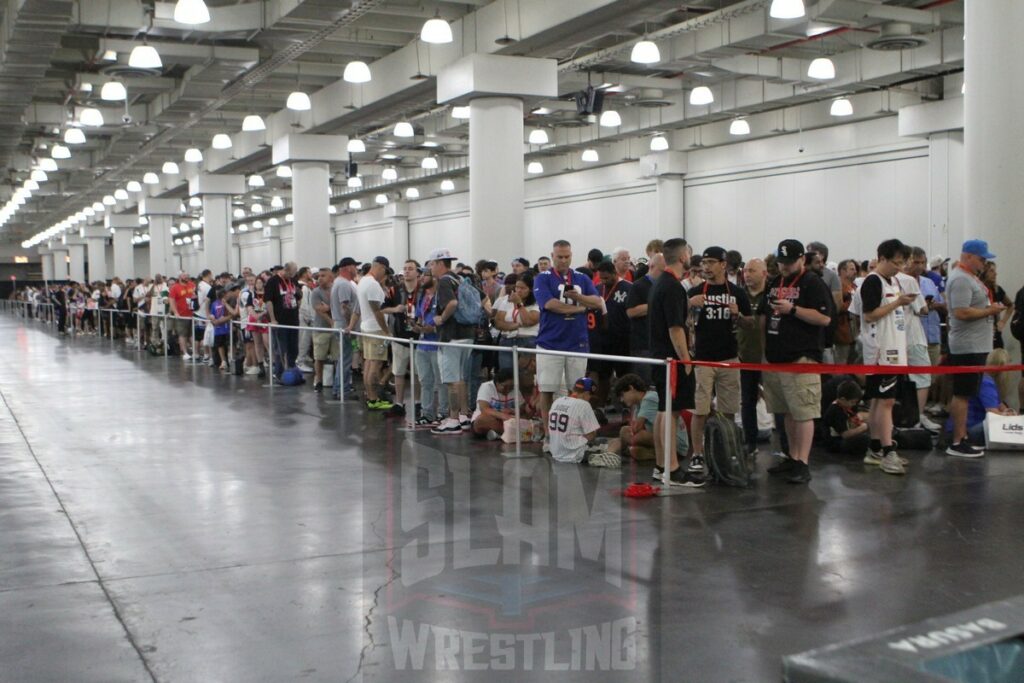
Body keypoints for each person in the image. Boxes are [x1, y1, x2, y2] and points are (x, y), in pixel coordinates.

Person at [759, 239, 832, 485]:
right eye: (781, 262)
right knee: (787, 411)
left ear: (802, 259)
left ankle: (803, 461)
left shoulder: (812, 283)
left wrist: (793, 310)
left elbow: (824, 318)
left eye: (790, 262)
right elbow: (764, 315)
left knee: (803, 411)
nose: (785, 266)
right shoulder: (774, 282)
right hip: (776, 356)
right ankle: (792, 456)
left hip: (802, 356)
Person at [686, 246, 753, 475]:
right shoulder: (695, 291)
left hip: (729, 357)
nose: (706, 267)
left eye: (711, 262)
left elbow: (750, 324)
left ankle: (725, 447)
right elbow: (680, 321)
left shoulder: (737, 292)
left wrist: (739, 315)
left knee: (728, 408)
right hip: (703, 358)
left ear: (723, 264)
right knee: (700, 409)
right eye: (704, 263)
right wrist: (689, 304)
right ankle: (697, 453)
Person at [533, 240, 603, 448]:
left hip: (577, 343)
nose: (563, 260)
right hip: (550, 343)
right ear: (552, 256)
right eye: (559, 257)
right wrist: (581, 308)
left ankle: (580, 432)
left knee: (580, 390)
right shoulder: (542, 278)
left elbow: (597, 302)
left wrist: (579, 298)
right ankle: (549, 435)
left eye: (567, 256)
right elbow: (549, 304)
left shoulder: (581, 277)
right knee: (547, 390)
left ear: (571, 256)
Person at [648, 237, 702, 487]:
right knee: (671, 411)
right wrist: (686, 359)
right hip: (671, 359)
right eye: (689, 254)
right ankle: (670, 467)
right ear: (683, 257)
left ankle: (662, 465)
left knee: (664, 409)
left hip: (661, 357)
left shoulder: (663, 283)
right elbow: (675, 329)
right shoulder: (671, 286)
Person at [857, 239, 914, 475]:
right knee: (886, 401)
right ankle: (887, 450)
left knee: (880, 401)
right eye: (895, 263)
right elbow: (870, 315)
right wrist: (898, 303)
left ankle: (875, 447)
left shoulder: (894, 281)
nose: (899, 268)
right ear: (881, 258)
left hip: (895, 349)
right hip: (882, 352)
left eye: (902, 263)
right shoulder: (872, 282)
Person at [946, 240, 1005, 458]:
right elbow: (961, 312)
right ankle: (957, 440)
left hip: (976, 344)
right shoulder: (961, 279)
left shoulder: (970, 278)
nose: (984, 263)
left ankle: (963, 436)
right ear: (969, 256)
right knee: (963, 393)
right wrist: (989, 312)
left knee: (968, 392)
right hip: (966, 346)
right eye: (982, 259)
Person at [429, 248, 476, 434]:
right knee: (461, 378)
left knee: (451, 380)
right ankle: (464, 415)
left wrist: (442, 318)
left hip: (451, 337)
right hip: (467, 335)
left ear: (440, 264)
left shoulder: (444, 282)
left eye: (432, 264)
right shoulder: (461, 279)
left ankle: (453, 419)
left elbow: (453, 303)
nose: (430, 268)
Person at [900, 247, 943, 432]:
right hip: (911, 337)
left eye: (922, 262)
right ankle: (913, 419)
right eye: (914, 262)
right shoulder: (907, 281)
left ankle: (916, 416)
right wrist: (926, 305)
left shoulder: (927, 282)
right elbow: (922, 309)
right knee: (921, 378)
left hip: (927, 335)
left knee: (924, 378)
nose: (918, 266)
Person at [944, 348, 1017, 446]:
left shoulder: (984, 379)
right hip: (969, 430)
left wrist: (1007, 412)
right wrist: (1009, 417)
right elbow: (993, 413)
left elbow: (1000, 405)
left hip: (954, 430)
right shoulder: (987, 383)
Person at [613, 373, 688, 463]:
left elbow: (636, 429)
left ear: (631, 388)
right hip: (666, 439)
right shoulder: (638, 405)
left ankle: (619, 450)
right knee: (626, 434)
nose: (622, 400)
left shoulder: (649, 398)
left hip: (677, 444)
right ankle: (652, 452)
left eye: (622, 395)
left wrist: (621, 440)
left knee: (633, 434)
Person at [589, 261, 632, 414]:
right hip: (602, 340)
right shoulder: (597, 289)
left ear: (615, 273)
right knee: (603, 375)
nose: (604, 281)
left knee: (624, 376)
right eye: (601, 278)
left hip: (622, 340)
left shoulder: (628, 288)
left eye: (606, 278)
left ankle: (627, 408)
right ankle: (600, 407)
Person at [546, 377, 617, 467]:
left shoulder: (557, 401)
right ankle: (601, 456)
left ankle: (598, 455)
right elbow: (591, 435)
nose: (590, 400)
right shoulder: (584, 404)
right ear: (586, 393)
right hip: (575, 454)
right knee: (616, 442)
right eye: (590, 397)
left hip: (556, 452)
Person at [381, 260, 421, 416]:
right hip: (400, 336)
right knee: (398, 371)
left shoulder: (423, 290)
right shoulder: (394, 290)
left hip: (419, 336)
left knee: (418, 372)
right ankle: (399, 403)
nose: (407, 272)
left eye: (410, 269)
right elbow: (383, 309)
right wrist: (395, 309)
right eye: (405, 269)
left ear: (418, 272)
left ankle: (418, 402)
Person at [355, 256, 394, 411]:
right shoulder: (372, 285)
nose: (384, 276)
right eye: (384, 272)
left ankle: (371, 397)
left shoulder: (363, 281)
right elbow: (377, 310)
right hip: (375, 329)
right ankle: (373, 398)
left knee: (369, 363)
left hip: (366, 326)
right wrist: (386, 331)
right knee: (374, 364)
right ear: (381, 267)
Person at [738, 258, 767, 456]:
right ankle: (750, 442)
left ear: (764, 273)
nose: (747, 274)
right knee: (747, 401)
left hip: (769, 357)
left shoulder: (771, 295)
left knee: (776, 401)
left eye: (752, 270)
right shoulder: (739, 295)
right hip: (745, 355)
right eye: (745, 270)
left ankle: (785, 446)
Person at [412, 272, 449, 426]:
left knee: (441, 382)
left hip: (437, 345)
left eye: (425, 276)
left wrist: (432, 330)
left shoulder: (441, 298)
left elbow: (447, 321)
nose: (421, 279)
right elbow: (420, 317)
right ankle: (426, 413)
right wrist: (417, 326)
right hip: (422, 345)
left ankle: (443, 413)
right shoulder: (422, 297)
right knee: (425, 381)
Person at [625, 252, 663, 382]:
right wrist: (656, 304)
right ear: (652, 267)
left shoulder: (663, 285)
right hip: (642, 344)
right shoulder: (638, 286)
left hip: (658, 344)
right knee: (644, 383)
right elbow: (631, 311)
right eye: (662, 271)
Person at [265, 262, 302, 377]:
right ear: (286, 270)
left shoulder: (293, 281)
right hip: (280, 320)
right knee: (281, 348)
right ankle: (279, 372)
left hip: (293, 319)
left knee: (293, 347)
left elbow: (299, 296)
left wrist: (297, 306)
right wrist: (273, 319)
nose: (292, 276)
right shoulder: (273, 281)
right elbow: (268, 301)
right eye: (291, 274)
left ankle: (291, 368)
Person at [330, 257, 360, 400]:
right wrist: (350, 326)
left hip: (340, 324)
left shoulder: (339, 282)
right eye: (355, 266)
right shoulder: (344, 285)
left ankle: (338, 388)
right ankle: (343, 390)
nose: (356, 269)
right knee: (346, 359)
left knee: (343, 358)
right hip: (344, 325)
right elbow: (345, 307)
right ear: (348, 268)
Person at [471, 368, 525, 439]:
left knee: (524, 417)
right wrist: (503, 415)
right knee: (482, 419)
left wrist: (513, 411)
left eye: (511, 387)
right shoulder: (486, 387)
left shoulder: (515, 389)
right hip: (489, 421)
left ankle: (501, 434)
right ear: (497, 383)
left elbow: (522, 408)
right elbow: (484, 409)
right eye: (505, 387)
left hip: (507, 422)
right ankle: (512, 433)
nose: (508, 390)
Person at [822, 380, 870, 455]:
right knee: (864, 439)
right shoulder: (835, 411)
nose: (854, 404)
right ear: (843, 399)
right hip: (836, 442)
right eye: (852, 402)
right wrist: (862, 428)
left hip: (844, 438)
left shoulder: (846, 406)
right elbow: (845, 434)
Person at [309, 268, 337, 392]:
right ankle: (318, 380)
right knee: (319, 357)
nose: (320, 278)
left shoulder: (336, 290)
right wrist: (331, 321)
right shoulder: (315, 292)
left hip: (336, 331)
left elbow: (339, 307)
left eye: (323, 276)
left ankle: (338, 381)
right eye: (319, 276)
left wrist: (329, 308)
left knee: (337, 357)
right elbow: (319, 309)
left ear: (330, 277)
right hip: (321, 329)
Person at [981, 261, 1014, 350]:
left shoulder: (997, 290)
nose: (995, 274)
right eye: (991, 271)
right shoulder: (978, 289)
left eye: (995, 271)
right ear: (984, 272)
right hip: (981, 334)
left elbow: (1010, 305)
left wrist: (1003, 321)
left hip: (996, 334)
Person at [168, 272, 195, 360]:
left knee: (192, 334)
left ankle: (195, 351)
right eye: (185, 276)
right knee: (182, 334)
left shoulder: (192, 285)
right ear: (180, 277)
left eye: (188, 276)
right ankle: (185, 352)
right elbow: (171, 300)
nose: (187, 277)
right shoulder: (175, 287)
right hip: (181, 315)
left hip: (192, 313)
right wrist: (175, 312)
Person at [296, 266, 316, 374]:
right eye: (308, 272)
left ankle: (301, 359)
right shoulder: (302, 287)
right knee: (303, 340)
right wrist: (307, 317)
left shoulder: (305, 287)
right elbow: (304, 304)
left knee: (306, 340)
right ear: (304, 274)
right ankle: (300, 361)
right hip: (304, 317)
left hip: (307, 316)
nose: (311, 273)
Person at [208, 286, 232, 371]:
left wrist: (222, 320)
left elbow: (230, 314)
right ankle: (223, 361)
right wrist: (212, 318)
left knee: (228, 344)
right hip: (218, 329)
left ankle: (230, 359)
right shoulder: (214, 303)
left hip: (227, 328)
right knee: (220, 345)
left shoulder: (227, 303)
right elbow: (212, 313)